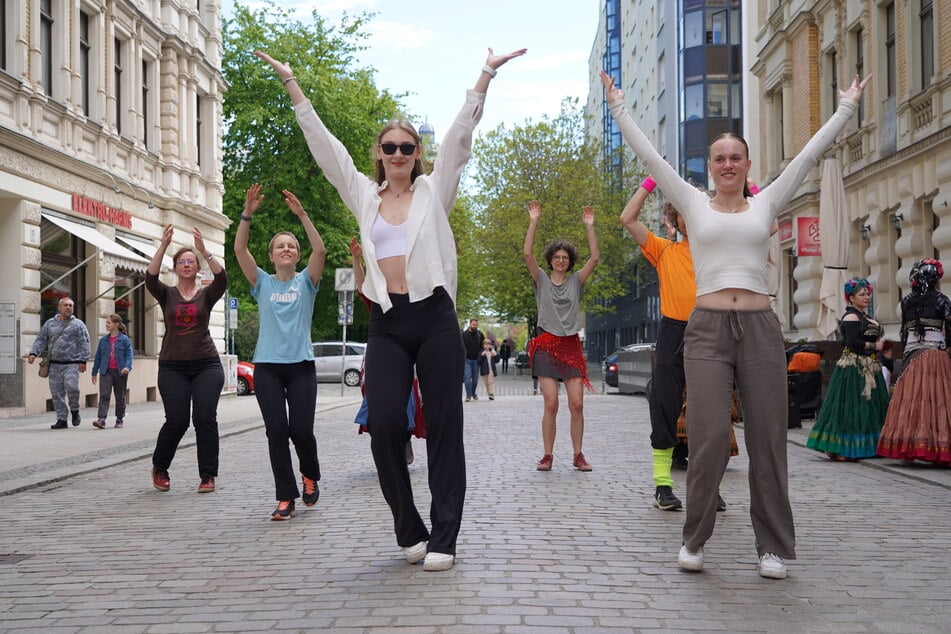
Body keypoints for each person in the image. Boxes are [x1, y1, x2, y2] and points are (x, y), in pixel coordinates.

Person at [257, 46, 526, 571]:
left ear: (417, 152)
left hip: (435, 317)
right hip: (386, 321)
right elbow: (327, 150)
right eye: (389, 147)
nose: (398, 154)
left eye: (406, 147)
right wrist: (293, 86)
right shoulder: (364, 195)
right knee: (382, 422)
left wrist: (484, 77)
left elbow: (460, 139)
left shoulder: (433, 189)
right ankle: (409, 526)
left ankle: (445, 536)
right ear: (378, 153)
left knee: (445, 426)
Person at [601, 69, 871, 580]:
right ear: (710, 166)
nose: (728, 164)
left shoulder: (766, 202)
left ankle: (771, 547)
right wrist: (617, 106)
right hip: (706, 328)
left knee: (767, 437)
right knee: (707, 435)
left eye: (735, 157)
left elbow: (808, 156)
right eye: (719, 158)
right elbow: (650, 157)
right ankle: (694, 538)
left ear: (747, 165)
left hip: (760, 327)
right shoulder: (692, 202)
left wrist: (846, 108)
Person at [234, 183, 325, 520]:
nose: (286, 249)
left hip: (301, 366)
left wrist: (302, 216)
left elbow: (320, 251)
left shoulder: (306, 282)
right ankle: (286, 496)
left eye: (291, 246)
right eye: (280, 246)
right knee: (276, 432)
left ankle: (310, 475)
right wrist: (247, 214)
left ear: (297, 255)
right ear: (271, 256)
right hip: (268, 368)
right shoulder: (262, 283)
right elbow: (240, 249)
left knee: (301, 430)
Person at [620, 177, 694, 511]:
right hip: (673, 332)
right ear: (674, 220)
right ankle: (663, 486)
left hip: (711, 331)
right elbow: (627, 219)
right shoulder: (664, 250)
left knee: (712, 413)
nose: (690, 218)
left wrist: (750, 191)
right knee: (664, 406)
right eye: (683, 213)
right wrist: (652, 179)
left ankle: (711, 488)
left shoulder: (720, 252)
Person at [146, 224, 227, 494]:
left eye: (191, 261)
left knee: (205, 418)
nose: (187, 265)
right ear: (175, 268)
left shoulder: (206, 294)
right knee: (177, 420)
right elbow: (150, 278)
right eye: (182, 262)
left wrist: (204, 250)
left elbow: (222, 279)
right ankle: (160, 467)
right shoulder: (166, 293)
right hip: (172, 366)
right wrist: (163, 246)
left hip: (206, 364)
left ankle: (207, 475)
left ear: (197, 268)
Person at [523, 199, 600, 472]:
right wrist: (534, 221)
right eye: (557, 257)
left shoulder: (576, 281)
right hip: (546, 344)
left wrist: (589, 226)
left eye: (565, 257)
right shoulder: (541, 280)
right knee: (552, 403)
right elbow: (527, 254)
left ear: (569, 262)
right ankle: (547, 455)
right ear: (551, 260)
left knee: (577, 404)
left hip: (570, 345)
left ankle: (578, 455)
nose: (560, 260)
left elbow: (595, 258)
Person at [350, 237, 424, 465]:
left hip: (406, 360)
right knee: (375, 405)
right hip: (379, 360)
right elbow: (361, 283)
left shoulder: (413, 293)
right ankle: (383, 444)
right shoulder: (376, 299)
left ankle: (404, 439)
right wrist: (356, 259)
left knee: (405, 402)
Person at [877, 259, 951, 466]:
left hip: (911, 354)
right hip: (936, 355)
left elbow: (903, 332)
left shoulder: (907, 301)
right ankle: (938, 450)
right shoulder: (942, 300)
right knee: (938, 399)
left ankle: (907, 448)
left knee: (910, 399)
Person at [806, 278, 889, 461]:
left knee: (868, 407)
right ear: (851, 298)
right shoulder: (851, 317)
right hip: (854, 368)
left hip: (870, 366)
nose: (867, 297)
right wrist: (874, 346)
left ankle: (867, 446)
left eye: (868, 293)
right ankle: (841, 448)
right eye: (862, 294)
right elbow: (852, 342)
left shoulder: (865, 317)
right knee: (851, 407)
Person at [27, 297, 90, 429]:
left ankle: (74, 409)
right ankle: (61, 419)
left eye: (71, 305)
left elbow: (84, 343)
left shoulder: (78, 324)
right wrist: (33, 353)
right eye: (65, 305)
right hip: (54, 364)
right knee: (57, 393)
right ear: (59, 307)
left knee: (72, 388)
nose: (68, 307)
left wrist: (83, 360)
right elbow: (41, 339)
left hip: (72, 363)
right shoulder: (50, 323)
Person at [90, 314, 133, 429]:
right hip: (106, 371)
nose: (106, 325)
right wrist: (94, 372)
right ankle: (101, 419)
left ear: (116, 324)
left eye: (108, 322)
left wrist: (127, 367)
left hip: (120, 372)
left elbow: (129, 355)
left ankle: (119, 419)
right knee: (104, 395)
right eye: (106, 322)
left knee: (120, 397)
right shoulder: (103, 340)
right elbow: (98, 357)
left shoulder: (125, 340)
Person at [462, 318, 484, 401]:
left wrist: (482, 354)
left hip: (476, 360)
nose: (475, 326)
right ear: (470, 324)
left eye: (476, 325)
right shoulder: (463, 334)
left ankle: (473, 393)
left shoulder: (480, 334)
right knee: (467, 377)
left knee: (475, 380)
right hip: (467, 360)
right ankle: (468, 395)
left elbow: (483, 346)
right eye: (473, 325)